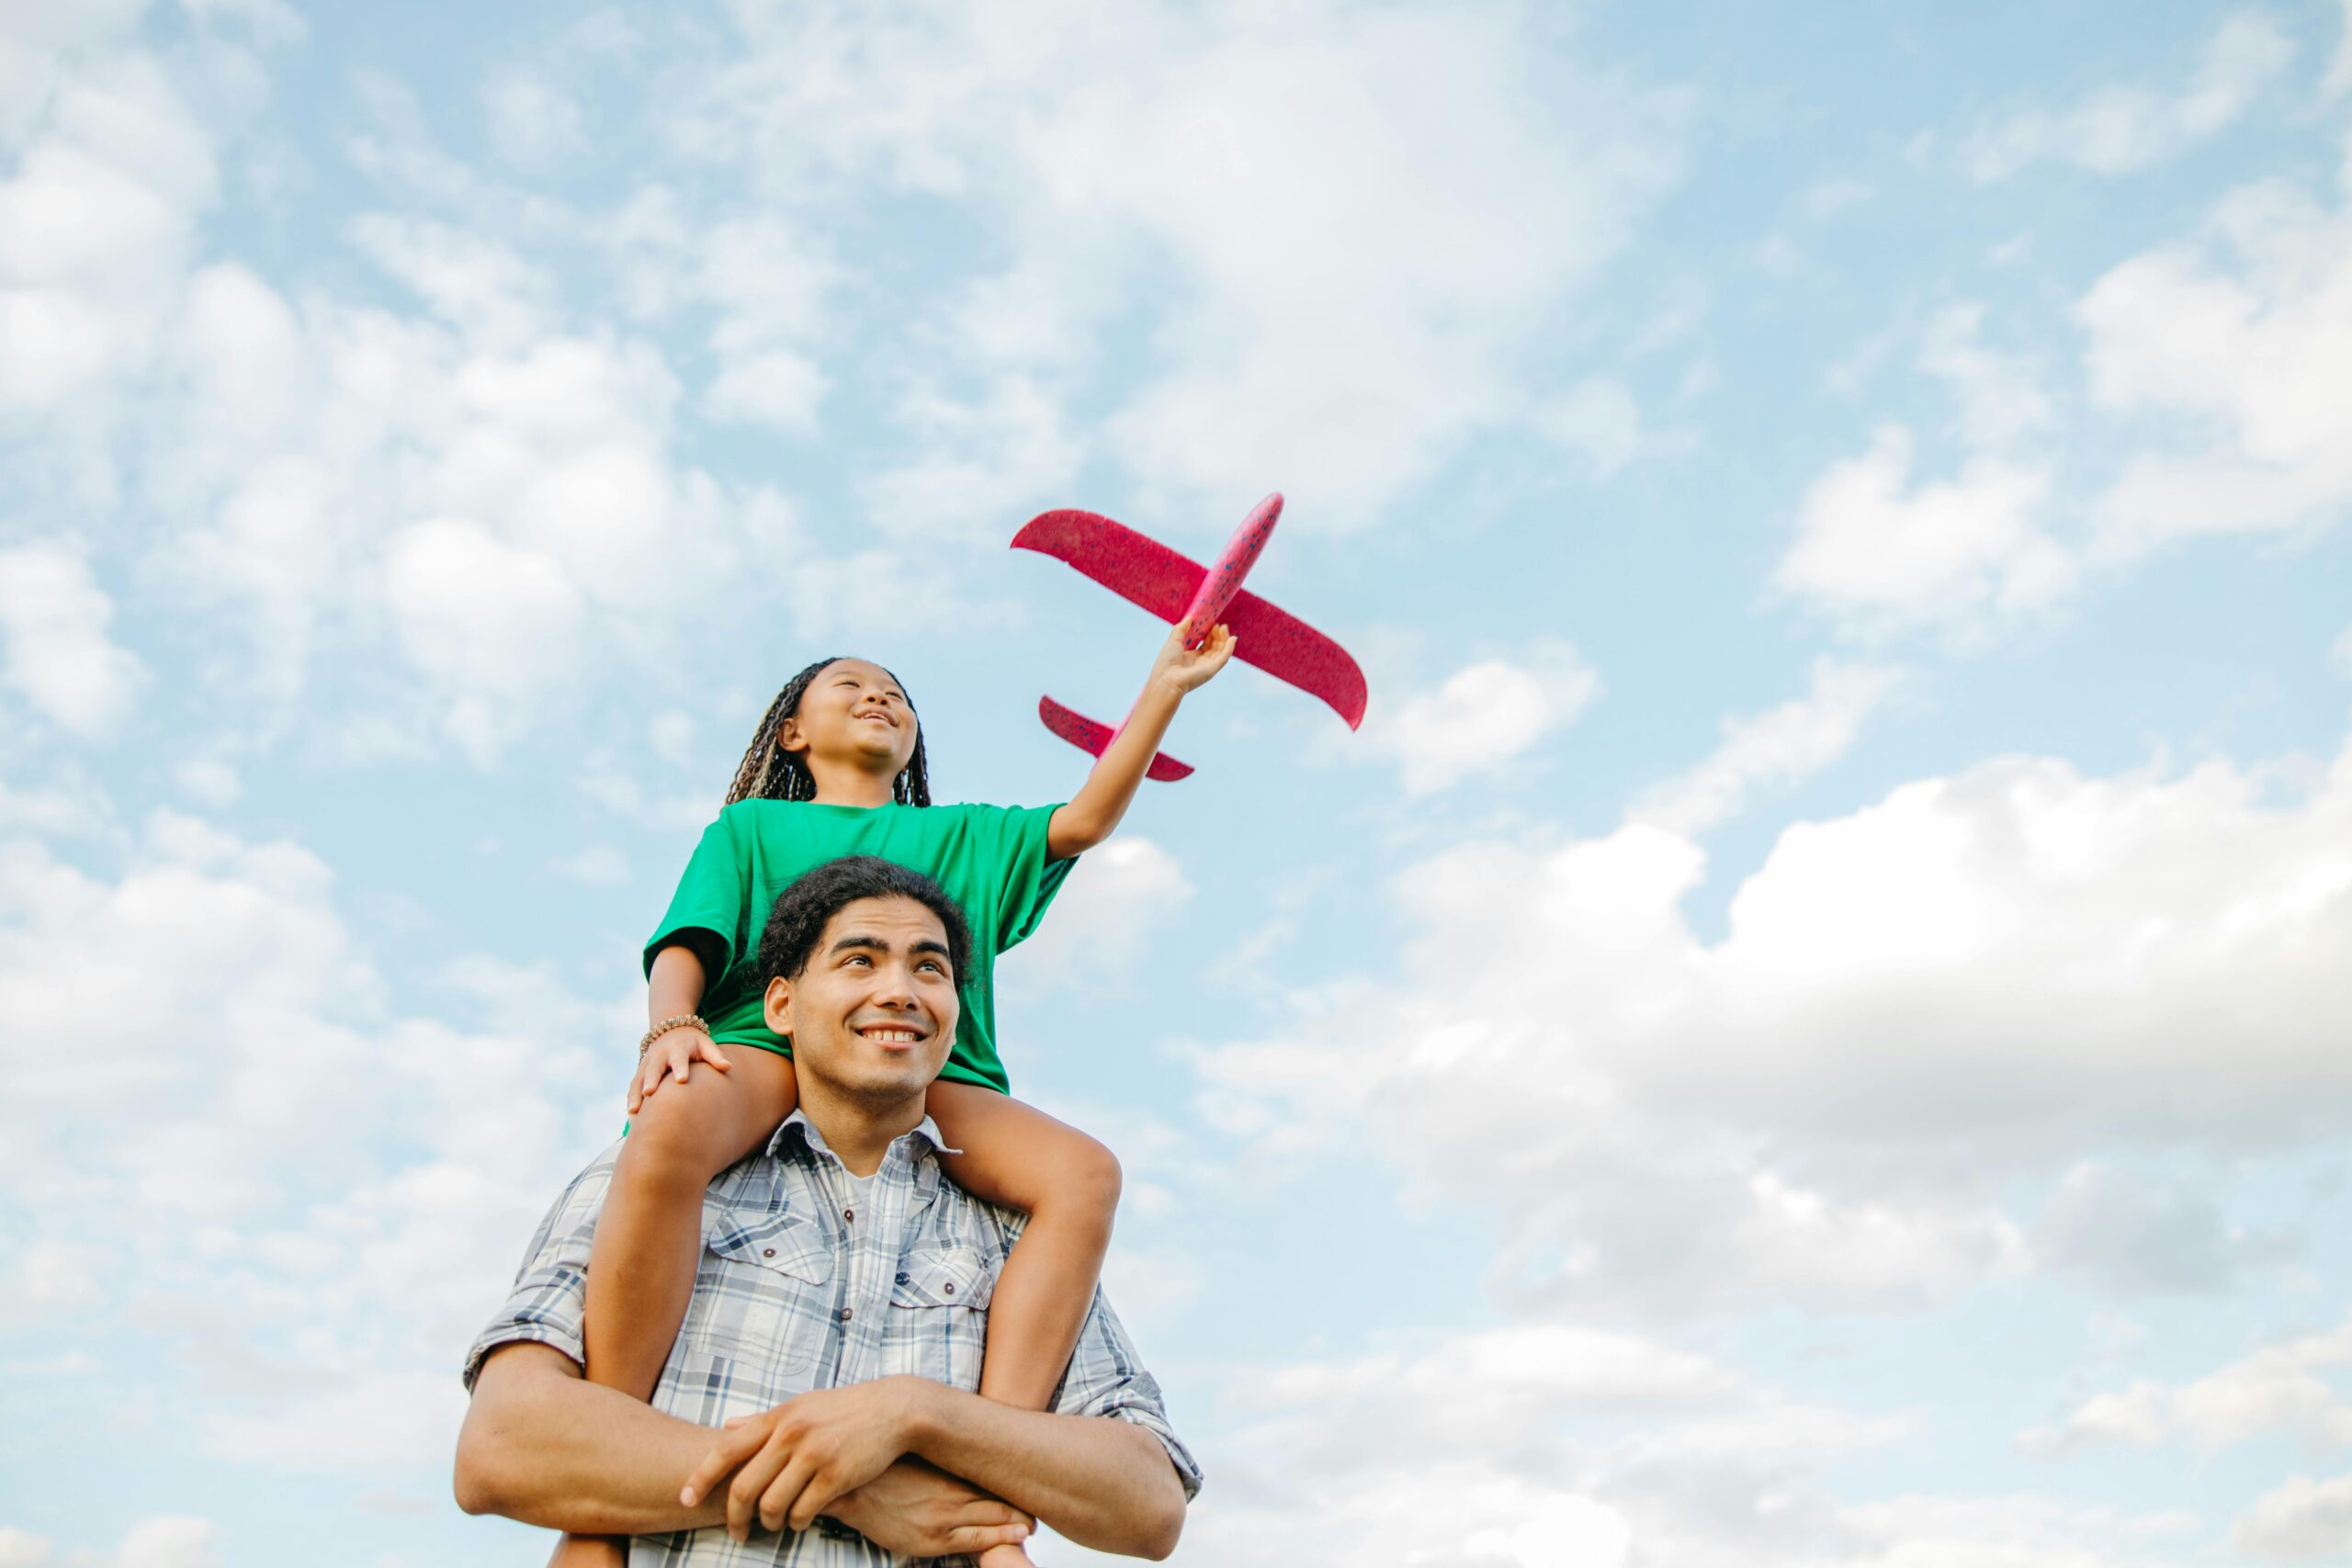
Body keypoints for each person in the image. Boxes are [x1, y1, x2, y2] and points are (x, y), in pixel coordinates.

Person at [568, 631, 1230, 1567]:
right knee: (671, 1121)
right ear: (792, 732)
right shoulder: (751, 828)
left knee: (1084, 1173)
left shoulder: (961, 832)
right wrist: (671, 1026)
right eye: (849, 686)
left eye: (895, 692)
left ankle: (982, 1499)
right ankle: (596, 1504)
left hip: (932, 1079)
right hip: (768, 1047)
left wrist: (1164, 687)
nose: (879, 697)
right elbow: (690, 937)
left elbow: (1082, 821)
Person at [456, 856, 1201, 1562]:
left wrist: (916, 1412)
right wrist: (846, 1488)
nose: (901, 990)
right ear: (781, 1003)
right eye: (860, 959)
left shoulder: (1014, 1232)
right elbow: (503, 1444)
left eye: (930, 967)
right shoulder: (658, 1176)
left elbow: (1149, 1501)